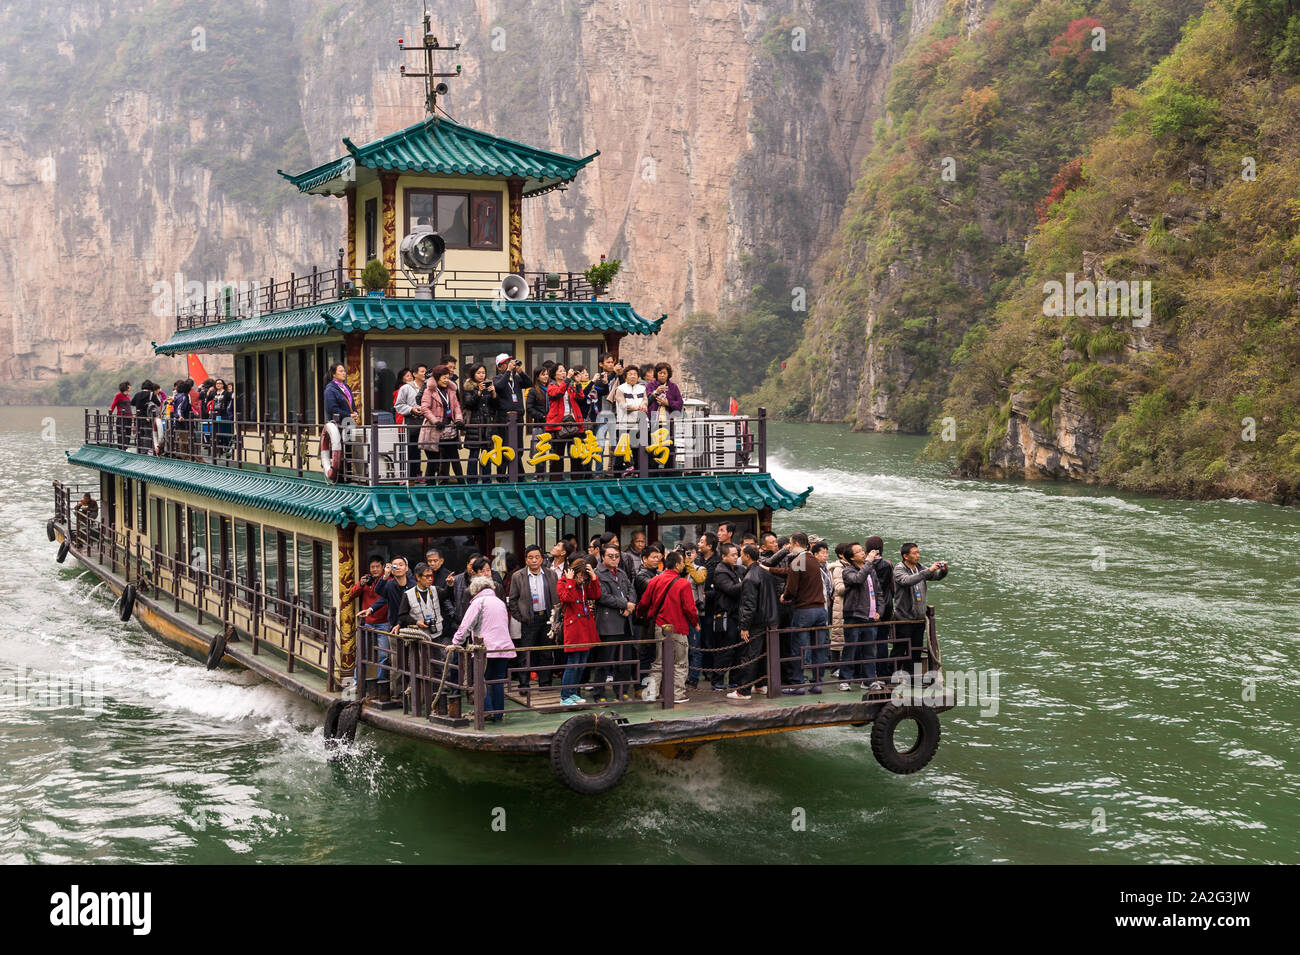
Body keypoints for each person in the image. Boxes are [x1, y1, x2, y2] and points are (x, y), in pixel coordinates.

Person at [765, 532, 829, 693]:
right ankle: (817, 683)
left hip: (804, 610)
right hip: (821, 610)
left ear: (796, 544)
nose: (789, 547)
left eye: (791, 544)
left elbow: (791, 589)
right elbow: (789, 572)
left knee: (798, 648)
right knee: (818, 647)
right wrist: (770, 568)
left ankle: (797, 684)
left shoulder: (797, 561)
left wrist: (783, 597)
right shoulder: (812, 560)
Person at [635, 550, 697, 704]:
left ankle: (652, 693)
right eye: (682, 562)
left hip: (659, 626)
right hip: (679, 627)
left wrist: (639, 614)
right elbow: (690, 609)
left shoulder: (655, 580)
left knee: (658, 660)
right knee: (680, 662)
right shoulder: (683, 583)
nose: (684, 565)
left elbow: (643, 603)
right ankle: (677, 694)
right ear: (677, 565)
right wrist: (695, 622)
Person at [452, 575, 516, 722]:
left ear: (475, 590)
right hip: (504, 647)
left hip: (485, 648)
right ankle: (498, 713)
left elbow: (465, 626)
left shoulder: (478, 603)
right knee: (498, 680)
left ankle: (486, 710)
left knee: (481, 679)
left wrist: (455, 643)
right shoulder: (499, 602)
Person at [728, 544, 778, 700]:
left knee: (749, 656)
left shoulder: (750, 578)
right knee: (762, 655)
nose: (739, 557)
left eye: (741, 554)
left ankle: (743, 691)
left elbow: (748, 605)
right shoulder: (765, 573)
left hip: (755, 622)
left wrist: (744, 626)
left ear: (747, 556)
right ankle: (760, 684)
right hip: (769, 620)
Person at [892, 543, 950, 677]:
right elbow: (907, 581)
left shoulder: (919, 567)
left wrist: (943, 570)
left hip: (918, 618)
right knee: (900, 649)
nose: (918, 555)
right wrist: (928, 570)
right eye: (914, 553)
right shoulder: (899, 569)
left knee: (916, 651)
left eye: (918, 552)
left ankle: (914, 678)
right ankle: (891, 677)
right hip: (904, 619)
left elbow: (935, 576)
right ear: (905, 556)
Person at [506, 544, 559, 689]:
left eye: (537, 557)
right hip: (529, 619)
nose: (534, 560)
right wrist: (521, 617)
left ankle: (545, 683)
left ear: (542, 558)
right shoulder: (518, 576)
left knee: (547, 652)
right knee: (526, 653)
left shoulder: (551, 574)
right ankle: (524, 684)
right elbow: (513, 599)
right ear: (526, 560)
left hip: (548, 618)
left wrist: (556, 617)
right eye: (531, 558)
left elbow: (556, 597)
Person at [593, 545, 636, 702]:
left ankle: (621, 690)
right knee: (605, 660)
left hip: (625, 621)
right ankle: (599, 693)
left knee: (624, 660)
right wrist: (625, 604)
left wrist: (630, 606)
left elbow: (632, 590)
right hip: (608, 623)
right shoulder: (597, 574)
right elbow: (602, 596)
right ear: (602, 557)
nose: (614, 559)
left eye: (616, 556)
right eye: (610, 556)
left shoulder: (622, 573)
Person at [839, 542, 884, 690]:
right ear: (851, 558)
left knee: (870, 650)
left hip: (870, 616)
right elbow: (858, 579)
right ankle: (845, 680)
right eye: (858, 552)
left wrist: (880, 610)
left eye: (862, 550)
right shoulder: (847, 571)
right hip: (854, 615)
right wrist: (869, 563)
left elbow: (878, 592)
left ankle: (869, 680)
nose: (863, 553)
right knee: (850, 649)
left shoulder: (870, 570)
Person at [557, 557, 601, 706]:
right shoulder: (563, 582)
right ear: (573, 572)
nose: (582, 578)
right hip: (574, 627)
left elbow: (595, 595)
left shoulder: (584, 585)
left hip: (585, 626)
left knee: (582, 662)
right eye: (580, 575)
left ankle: (573, 692)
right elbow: (567, 598)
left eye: (584, 575)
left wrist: (594, 578)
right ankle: (565, 695)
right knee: (573, 662)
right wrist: (570, 581)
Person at [417, 364, 463, 481]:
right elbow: (425, 408)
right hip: (435, 429)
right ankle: (430, 486)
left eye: (448, 378)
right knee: (433, 460)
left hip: (450, 429)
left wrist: (458, 420)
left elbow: (456, 407)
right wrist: (436, 421)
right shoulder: (429, 390)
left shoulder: (451, 390)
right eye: (444, 378)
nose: (446, 380)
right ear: (437, 378)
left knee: (455, 458)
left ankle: (463, 483)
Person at [545, 364, 588, 479]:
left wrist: (578, 383)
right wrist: (568, 379)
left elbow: (580, 397)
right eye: (561, 371)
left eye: (565, 371)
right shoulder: (551, 386)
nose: (564, 373)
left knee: (576, 453)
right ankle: (556, 481)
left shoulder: (569, 385)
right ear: (554, 374)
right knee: (557, 455)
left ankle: (577, 480)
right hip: (557, 425)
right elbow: (557, 393)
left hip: (573, 423)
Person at [492, 353, 532, 477]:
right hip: (504, 417)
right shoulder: (497, 378)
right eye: (506, 363)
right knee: (505, 447)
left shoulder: (516, 378)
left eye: (510, 362)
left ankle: (518, 475)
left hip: (518, 416)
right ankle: (502, 476)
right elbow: (499, 386)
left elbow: (529, 383)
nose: (509, 365)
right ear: (499, 366)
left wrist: (520, 371)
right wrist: (508, 371)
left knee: (518, 447)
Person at [712, 542, 744, 689]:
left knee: (738, 650)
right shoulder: (720, 571)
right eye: (732, 555)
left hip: (738, 615)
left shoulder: (737, 569)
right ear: (723, 556)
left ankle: (734, 680)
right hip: (726, 615)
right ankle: (717, 681)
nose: (735, 557)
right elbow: (731, 589)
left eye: (737, 554)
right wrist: (748, 581)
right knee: (725, 650)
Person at [460, 362, 496, 484]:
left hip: (487, 424)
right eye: (479, 373)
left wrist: (494, 393)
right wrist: (478, 392)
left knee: (487, 454)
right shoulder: (468, 387)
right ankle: (472, 481)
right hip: (474, 424)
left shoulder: (489, 386)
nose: (481, 375)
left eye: (483, 373)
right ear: (473, 374)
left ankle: (487, 480)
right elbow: (469, 403)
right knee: (473, 454)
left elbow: (495, 406)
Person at [647, 362, 684, 468]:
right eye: (660, 373)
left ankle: (669, 472)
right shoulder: (650, 385)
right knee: (654, 447)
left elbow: (679, 404)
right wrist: (655, 392)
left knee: (668, 447)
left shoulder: (673, 387)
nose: (662, 375)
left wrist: (668, 403)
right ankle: (653, 474)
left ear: (668, 374)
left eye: (664, 373)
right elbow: (646, 403)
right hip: (654, 421)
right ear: (656, 374)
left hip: (668, 422)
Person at [395, 363, 427, 479]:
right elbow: (398, 406)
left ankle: (419, 474)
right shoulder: (406, 388)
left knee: (424, 450)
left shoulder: (429, 387)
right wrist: (411, 409)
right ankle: (408, 477)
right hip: (411, 423)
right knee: (410, 449)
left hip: (426, 423)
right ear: (415, 374)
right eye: (422, 371)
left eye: (425, 371)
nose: (425, 374)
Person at [210, 378, 234, 454]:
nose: (218, 385)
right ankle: (219, 449)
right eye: (217, 383)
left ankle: (226, 447)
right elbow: (208, 399)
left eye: (220, 383)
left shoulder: (226, 393)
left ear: (223, 385)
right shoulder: (214, 393)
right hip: (216, 415)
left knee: (225, 432)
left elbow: (231, 399)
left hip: (224, 415)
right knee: (217, 433)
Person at [109, 380, 132, 449]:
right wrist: (110, 412)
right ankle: (121, 447)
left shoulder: (128, 396)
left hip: (129, 417)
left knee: (128, 432)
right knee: (121, 432)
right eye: (129, 386)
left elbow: (129, 407)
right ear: (126, 387)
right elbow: (114, 404)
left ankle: (126, 447)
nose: (130, 387)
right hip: (121, 417)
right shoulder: (118, 395)